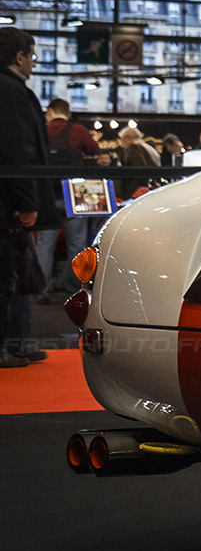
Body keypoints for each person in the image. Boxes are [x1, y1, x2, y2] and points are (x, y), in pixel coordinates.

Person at [1, 27, 62, 366]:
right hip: (9, 204)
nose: (34, 64)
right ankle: (8, 347)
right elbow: (16, 151)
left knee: (15, 275)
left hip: (10, 202)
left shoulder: (12, 89)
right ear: (19, 56)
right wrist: (27, 203)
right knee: (8, 277)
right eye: (32, 56)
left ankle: (15, 344)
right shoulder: (10, 91)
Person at [36, 99, 99, 293]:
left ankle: (42, 289)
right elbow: (94, 150)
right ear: (67, 113)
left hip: (48, 192)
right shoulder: (77, 130)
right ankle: (73, 288)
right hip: (74, 193)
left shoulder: (42, 129)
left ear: (50, 111)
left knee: (45, 244)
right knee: (77, 243)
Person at [116, 126, 161, 201]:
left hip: (137, 192)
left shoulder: (134, 148)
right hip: (149, 189)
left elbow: (139, 171)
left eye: (122, 139)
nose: (121, 143)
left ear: (126, 138)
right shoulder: (149, 148)